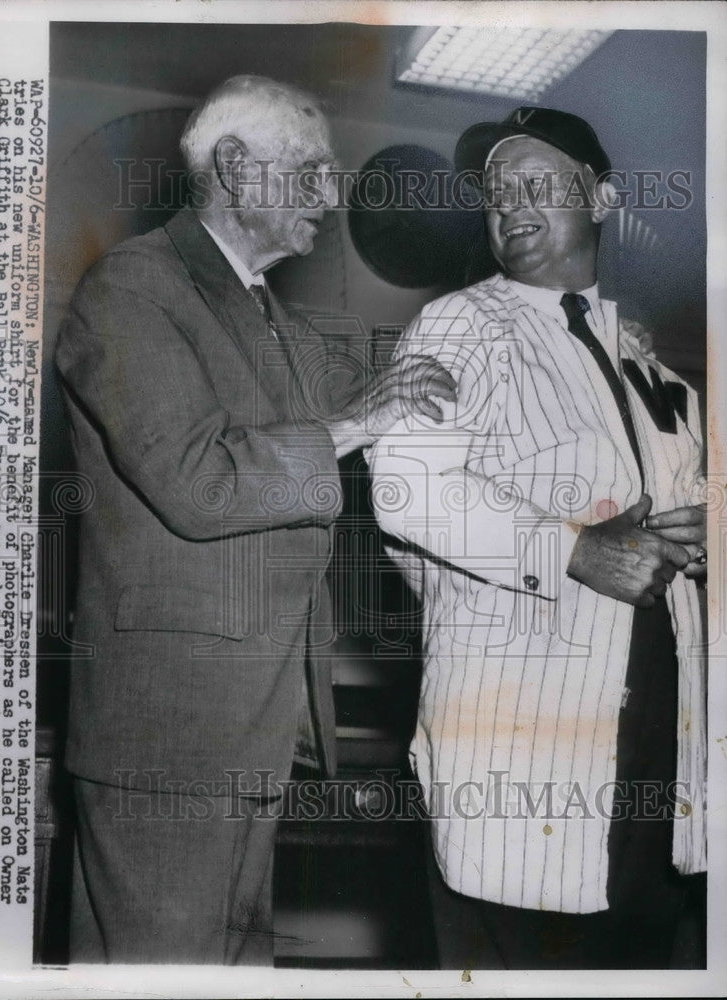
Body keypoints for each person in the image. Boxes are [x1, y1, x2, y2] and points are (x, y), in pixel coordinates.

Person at [55, 74, 455, 965]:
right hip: (167, 738)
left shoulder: (260, 310)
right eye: (312, 168)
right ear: (235, 167)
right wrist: (360, 423)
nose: (333, 191)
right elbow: (200, 483)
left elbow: (370, 399)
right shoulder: (132, 289)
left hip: (245, 730)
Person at [367, 107, 707, 969]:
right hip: (524, 737)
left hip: (661, 742)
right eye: (493, 192)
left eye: (535, 183)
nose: (508, 204)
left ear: (600, 197)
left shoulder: (649, 366)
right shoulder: (459, 326)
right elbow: (408, 490)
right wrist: (574, 549)